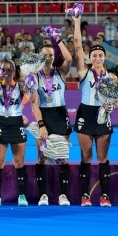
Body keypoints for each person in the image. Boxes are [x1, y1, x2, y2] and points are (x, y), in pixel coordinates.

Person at [72, 16, 118, 207]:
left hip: (103, 116)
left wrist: (112, 107)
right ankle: (85, 195)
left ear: (104, 57)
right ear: (90, 58)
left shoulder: (112, 77)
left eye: (100, 56)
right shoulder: (84, 73)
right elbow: (77, 46)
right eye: (94, 56)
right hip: (85, 115)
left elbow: (115, 101)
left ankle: (105, 195)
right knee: (86, 157)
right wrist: (77, 22)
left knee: (102, 157)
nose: (97, 58)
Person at [31, 31, 73, 206]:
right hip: (44, 115)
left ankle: (63, 195)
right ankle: (43, 195)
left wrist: (58, 40)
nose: (48, 58)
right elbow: (33, 104)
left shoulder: (61, 72)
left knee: (62, 157)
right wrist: (41, 125)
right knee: (42, 157)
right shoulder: (33, 76)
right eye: (44, 55)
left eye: (50, 55)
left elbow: (69, 59)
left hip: (60, 114)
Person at [0, 59, 31, 207]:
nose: (7, 72)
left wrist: (31, 79)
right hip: (1, 123)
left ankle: (22, 196)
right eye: (4, 69)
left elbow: (30, 97)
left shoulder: (19, 86)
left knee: (19, 162)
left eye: (10, 69)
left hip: (17, 123)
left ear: (14, 71)